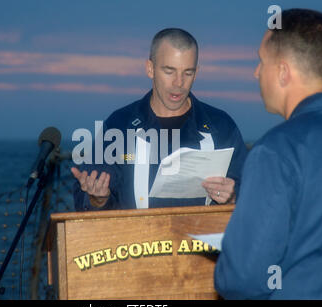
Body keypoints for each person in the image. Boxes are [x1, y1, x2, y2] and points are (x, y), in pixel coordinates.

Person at [214, 9, 322, 299]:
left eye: (261, 61)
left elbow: (242, 277)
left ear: (283, 72)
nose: (256, 72)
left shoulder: (278, 150)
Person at [71, 28, 248, 211]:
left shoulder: (222, 127)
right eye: (169, 71)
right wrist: (98, 200)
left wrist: (233, 197)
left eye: (187, 73)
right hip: (134, 239)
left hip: (201, 239)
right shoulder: (119, 126)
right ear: (150, 69)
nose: (178, 83)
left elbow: (251, 195)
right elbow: (83, 200)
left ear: (196, 73)